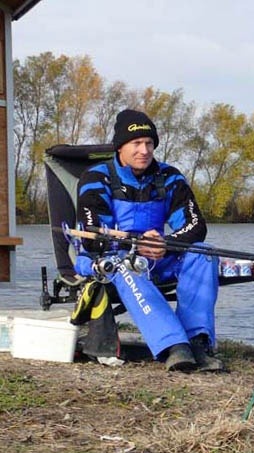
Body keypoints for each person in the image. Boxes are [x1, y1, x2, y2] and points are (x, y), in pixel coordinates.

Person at [76, 108, 223, 372]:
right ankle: (174, 346)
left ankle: (198, 341)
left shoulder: (169, 177)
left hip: (158, 256)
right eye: (136, 143)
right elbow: (93, 236)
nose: (144, 150)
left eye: (149, 143)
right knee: (127, 265)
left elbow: (195, 225)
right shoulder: (96, 178)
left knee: (203, 252)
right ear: (120, 147)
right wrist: (137, 244)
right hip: (112, 259)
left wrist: (165, 243)